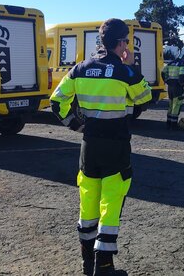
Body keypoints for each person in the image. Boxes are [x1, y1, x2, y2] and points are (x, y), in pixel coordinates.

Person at [50, 18, 152, 275]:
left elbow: (56, 102)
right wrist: (130, 66)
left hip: (90, 146)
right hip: (115, 147)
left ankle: (87, 264)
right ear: (120, 43)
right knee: (111, 203)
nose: (127, 45)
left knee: (88, 205)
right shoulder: (123, 71)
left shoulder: (80, 69)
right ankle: (104, 267)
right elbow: (144, 97)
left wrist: (76, 125)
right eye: (126, 41)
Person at [161, 52, 184, 129]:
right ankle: (173, 125)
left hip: (170, 87)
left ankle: (169, 122)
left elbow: (163, 72)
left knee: (171, 104)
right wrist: (181, 84)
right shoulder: (182, 64)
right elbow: (181, 75)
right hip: (177, 88)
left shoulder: (171, 63)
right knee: (177, 105)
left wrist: (167, 81)